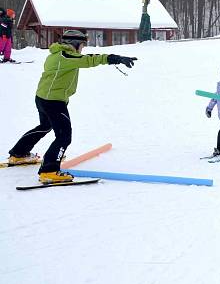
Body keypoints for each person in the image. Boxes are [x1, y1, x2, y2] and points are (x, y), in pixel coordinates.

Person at [6, 30, 137, 181]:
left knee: (45, 126)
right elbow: (89, 60)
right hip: (53, 102)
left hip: (44, 98)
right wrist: (115, 58)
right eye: (81, 45)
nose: (82, 49)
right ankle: (49, 171)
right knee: (64, 136)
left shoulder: (58, 54)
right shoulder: (65, 56)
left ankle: (19, 153)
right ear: (74, 44)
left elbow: (81, 59)